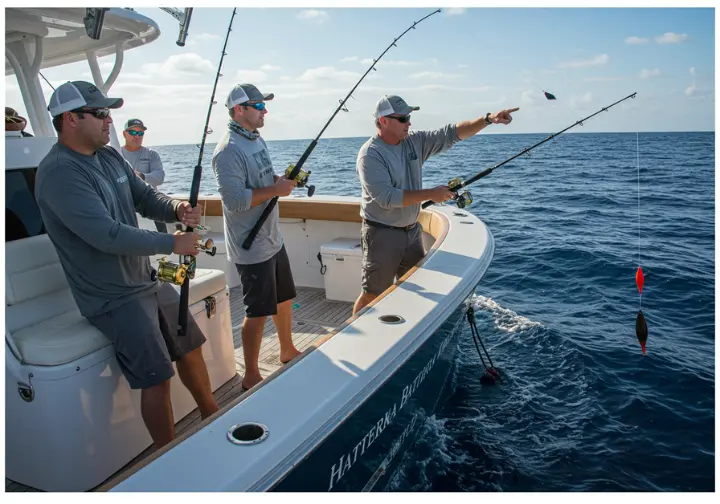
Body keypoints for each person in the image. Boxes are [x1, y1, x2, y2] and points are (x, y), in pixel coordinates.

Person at [35, 80, 219, 449]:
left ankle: (214, 417)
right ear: (70, 119)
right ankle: (168, 457)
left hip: (144, 280)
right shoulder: (59, 173)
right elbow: (107, 235)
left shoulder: (109, 155)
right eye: (101, 113)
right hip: (111, 297)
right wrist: (172, 241)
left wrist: (176, 208)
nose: (109, 122)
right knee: (156, 377)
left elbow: (145, 197)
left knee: (189, 343)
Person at [353, 94, 519, 315]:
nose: (409, 123)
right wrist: (431, 193)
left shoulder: (414, 142)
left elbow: (452, 133)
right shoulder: (370, 154)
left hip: (411, 232)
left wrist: (488, 119)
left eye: (409, 117)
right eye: (403, 119)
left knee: (413, 286)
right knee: (373, 294)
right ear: (383, 121)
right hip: (382, 234)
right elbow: (386, 197)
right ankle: (356, 340)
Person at [212, 83, 301, 391]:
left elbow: (262, 180)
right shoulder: (228, 151)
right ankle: (250, 374)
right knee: (259, 311)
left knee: (285, 297)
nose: (265, 111)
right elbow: (236, 200)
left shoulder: (255, 139)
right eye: (259, 106)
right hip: (251, 245)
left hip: (272, 237)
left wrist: (278, 182)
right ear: (240, 110)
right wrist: (274, 191)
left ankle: (287, 349)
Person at [121, 118, 168, 232]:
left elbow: (159, 178)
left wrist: (142, 176)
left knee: (162, 243)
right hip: (126, 207)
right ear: (124, 134)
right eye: (132, 132)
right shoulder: (117, 154)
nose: (137, 136)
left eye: (140, 133)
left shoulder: (152, 154)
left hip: (150, 204)